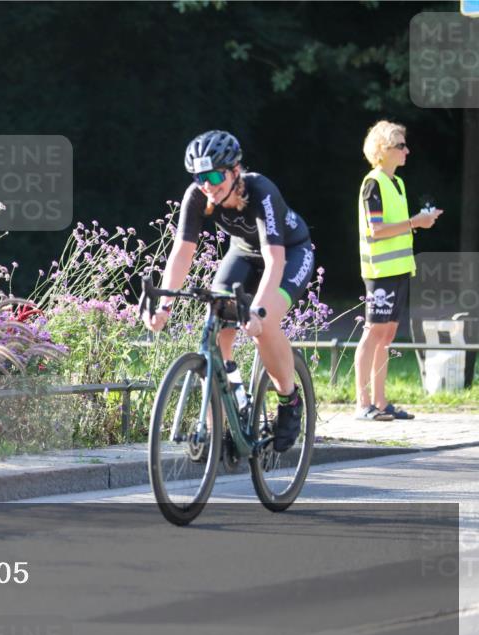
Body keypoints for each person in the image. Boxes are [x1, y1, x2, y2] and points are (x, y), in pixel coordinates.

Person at [145, 130, 315, 453]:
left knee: (263, 328)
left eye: (213, 175)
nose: (206, 184)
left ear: (235, 171)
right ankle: (221, 422)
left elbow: (274, 260)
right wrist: (165, 305)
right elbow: (182, 253)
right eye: (199, 176)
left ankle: (290, 399)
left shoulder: (261, 191)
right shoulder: (197, 197)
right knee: (215, 332)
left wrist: (258, 311)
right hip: (242, 254)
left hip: (290, 253)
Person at [354, 121, 442, 421]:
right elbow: (376, 230)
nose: (407, 150)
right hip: (379, 271)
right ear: (383, 150)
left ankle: (380, 402)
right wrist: (416, 222)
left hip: (400, 268)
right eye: (400, 145)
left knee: (387, 334)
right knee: (373, 332)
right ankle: (362, 403)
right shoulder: (373, 183)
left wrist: (420, 221)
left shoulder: (398, 183)